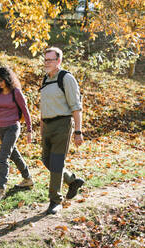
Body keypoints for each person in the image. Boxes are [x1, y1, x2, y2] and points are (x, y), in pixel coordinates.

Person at [40, 47, 85, 215]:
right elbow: (43, 105)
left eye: (50, 60)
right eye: (45, 60)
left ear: (59, 61)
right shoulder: (45, 79)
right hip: (48, 125)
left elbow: (76, 106)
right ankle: (72, 180)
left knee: (57, 162)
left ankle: (55, 201)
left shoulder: (66, 78)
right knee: (46, 160)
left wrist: (78, 131)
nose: (47, 63)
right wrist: (42, 127)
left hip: (63, 124)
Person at [0, 66, 33, 201]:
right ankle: (28, 178)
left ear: (7, 78)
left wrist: (29, 130)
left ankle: (0, 189)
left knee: (3, 157)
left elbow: (26, 111)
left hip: (13, 127)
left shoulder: (16, 93)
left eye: (1, 80)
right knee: (14, 155)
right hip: (1, 129)